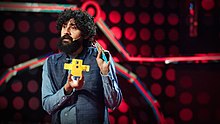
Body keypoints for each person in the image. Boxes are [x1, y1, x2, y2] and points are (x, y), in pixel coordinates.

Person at [41, 8, 122, 124]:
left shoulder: (101, 58)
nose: (66, 31)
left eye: (73, 27)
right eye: (64, 26)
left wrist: (105, 73)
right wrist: (67, 89)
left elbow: (113, 103)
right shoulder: (51, 63)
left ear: (84, 34)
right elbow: (47, 105)